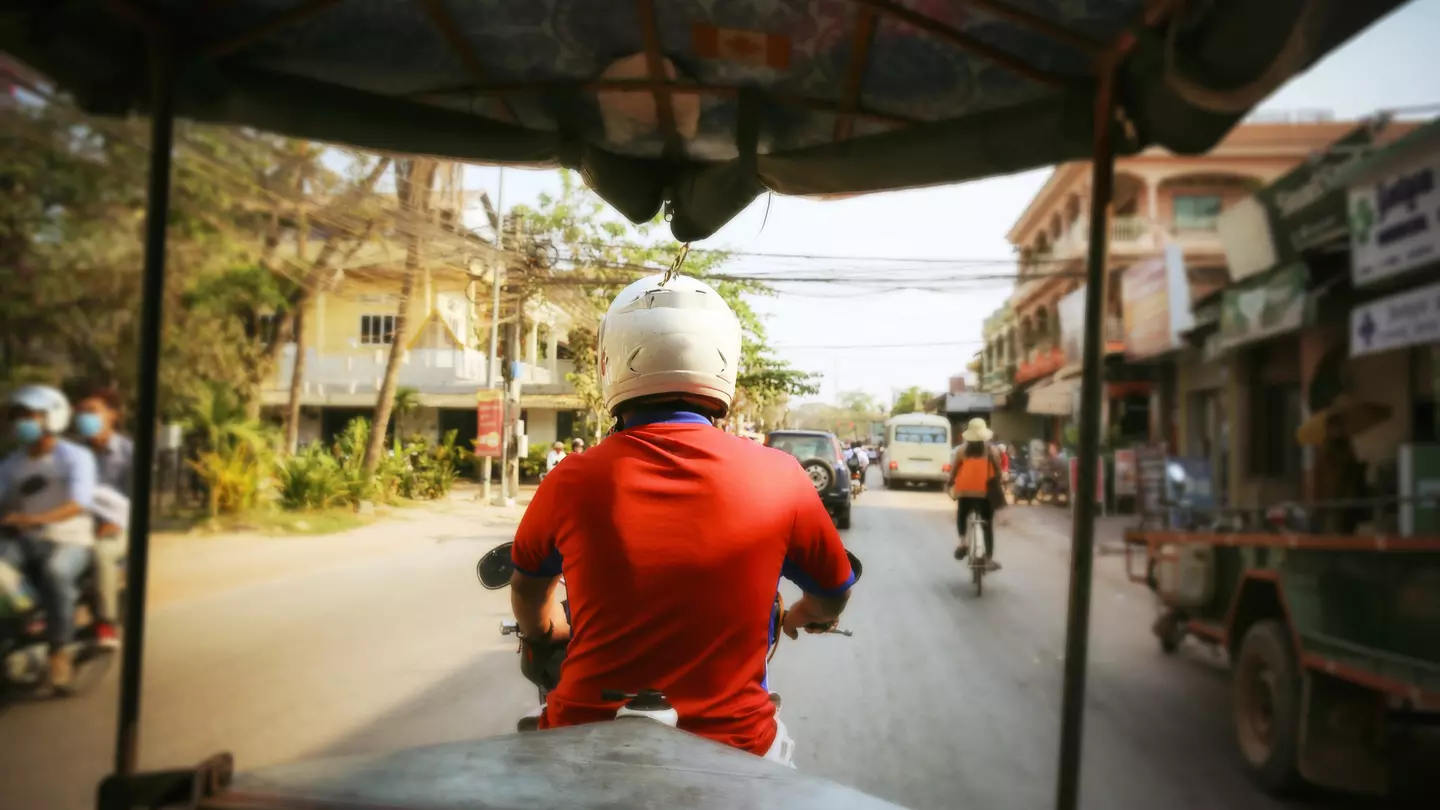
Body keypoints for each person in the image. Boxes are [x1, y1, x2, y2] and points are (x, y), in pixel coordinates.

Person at [508, 274, 855, 767]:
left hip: (582, 744)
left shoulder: (570, 478)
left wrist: (545, 630)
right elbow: (833, 590)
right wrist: (805, 614)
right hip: (736, 752)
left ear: (611, 363)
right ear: (723, 364)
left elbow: (527, 591)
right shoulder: (780, 474)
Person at [0, 385, 98, 690]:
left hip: (71, 538)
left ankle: (60, 651)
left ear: (51, 417)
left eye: (29, 416)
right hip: (28, 540)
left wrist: (33, 519)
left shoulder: (76, 457)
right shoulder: (12, 463)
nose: (22, 423)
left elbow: (79, 503)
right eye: (18, 417)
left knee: (56, 573)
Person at [74, 384, 132, 649]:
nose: (86, 417)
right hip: (74, 524)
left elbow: (135, 501)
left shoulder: (128, 453)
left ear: (112, 415)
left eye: (93, 411)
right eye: (82, 411)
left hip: (116, 527)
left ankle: (106, 622)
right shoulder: (72, 453)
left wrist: (115, 522)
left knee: (100, 553)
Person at [945, 417, 1003, 571]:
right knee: (988, 524)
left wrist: (950, 483)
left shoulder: (961, 451)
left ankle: (963, 542)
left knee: (962, 514)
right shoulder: (992, 451)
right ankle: (988, 557)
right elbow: (998, 472)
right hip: (985, 493)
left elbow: (954, 471)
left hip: (964, 492)